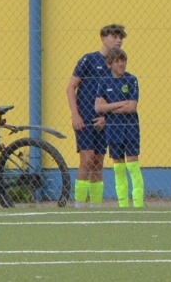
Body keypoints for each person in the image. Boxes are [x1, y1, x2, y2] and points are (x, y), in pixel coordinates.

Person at [66, 23, 125, 206]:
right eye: (114, 36)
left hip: (103, 120)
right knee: (87, 159)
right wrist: (75, 114)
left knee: (99, 162)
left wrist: (106, 118)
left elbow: (116, 97)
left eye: (121, 37)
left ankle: (96, 206)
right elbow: (71, 87)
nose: (118, 40)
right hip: (84, 117)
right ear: (103, 38)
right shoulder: (89, 60)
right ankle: (79, 205)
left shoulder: (116, 66)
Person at [92, 49, 142, 209]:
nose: (121, 64)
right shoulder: (104, 81)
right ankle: (123, 206)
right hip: (113, 129)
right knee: (118, 168)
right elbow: (98, 107)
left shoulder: (131, 80)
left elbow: (132, 107)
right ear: (109, 64)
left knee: (133, 165)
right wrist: (120, 103)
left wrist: (108, 108)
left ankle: (138, 205)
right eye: (117, 61)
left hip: (130, 128)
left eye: (123, 60)